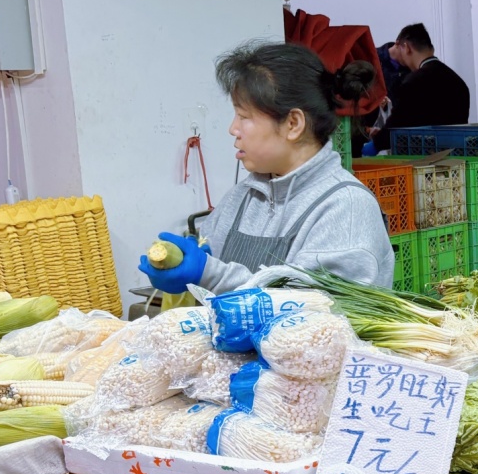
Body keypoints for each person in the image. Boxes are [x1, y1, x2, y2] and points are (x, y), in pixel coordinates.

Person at [139, 41, 394, 295]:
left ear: (293, 123)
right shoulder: (241, 197)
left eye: (244, 116)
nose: (233, 129)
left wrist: (209, 274)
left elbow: (313, 316)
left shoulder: (346, 208)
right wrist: (184, 267)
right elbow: (208, 266)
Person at [374, 23, 470, 151]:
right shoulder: (459, 82)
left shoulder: (414, 82)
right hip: (454, 158)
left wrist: (375, 144)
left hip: (421, 159)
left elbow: (397, 124)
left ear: (406, 48)